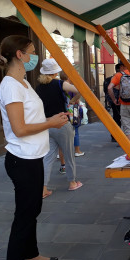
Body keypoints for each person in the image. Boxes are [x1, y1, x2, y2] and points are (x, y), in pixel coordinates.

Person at [0, 35, 66, 260]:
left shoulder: (23, 82)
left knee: (32, 210)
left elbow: (31, 119)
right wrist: (51, 123)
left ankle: (32, 255)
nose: (34, 57)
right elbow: (19, 128)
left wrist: (52, 118)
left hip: (33, 156)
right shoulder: (10, 86)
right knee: (24, 215)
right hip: (22, 159)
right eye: (32, 52)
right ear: (20, 55)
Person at [36, 59, 84, 198]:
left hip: (47, 124)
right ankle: (72, 183)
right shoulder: (59, 83)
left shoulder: (39, 87)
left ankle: (44, 188)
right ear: (55, 71)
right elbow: (80, 89)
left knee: (48, 157)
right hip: (62, 123)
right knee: (69, 154)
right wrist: (74, 100)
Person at [104, 64, 121, 142]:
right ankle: (118, 135)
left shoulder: (107, 79)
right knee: (120, 118)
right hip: (119, 101)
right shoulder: (119, 79)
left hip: (111, 101)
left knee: (115, 117)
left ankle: (114, 135)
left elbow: (105, 91)